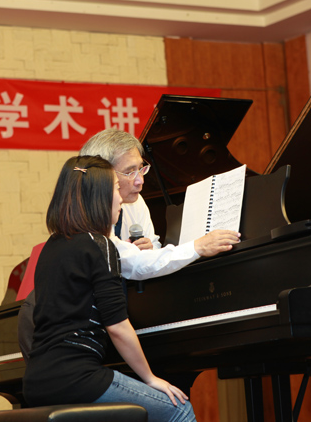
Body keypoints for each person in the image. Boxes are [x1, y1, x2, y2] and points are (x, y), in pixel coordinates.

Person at [22, 155, 196, 422]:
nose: (121, 199)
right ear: (100, 197)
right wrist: (150, 378)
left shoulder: (51, 246)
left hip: (37, 380)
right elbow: (117, 327)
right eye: (116, 188)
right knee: (179, 409)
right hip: (77, 378)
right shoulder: (99, 245)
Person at [79, 128, 240, 280]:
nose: (140, 180)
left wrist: (149, 250)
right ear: (101, 176)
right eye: (130, 172)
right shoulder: (83, 213)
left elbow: (151, 253)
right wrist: (198, 247)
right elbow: (130, 263)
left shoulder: (135, 201)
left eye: (141, 169)